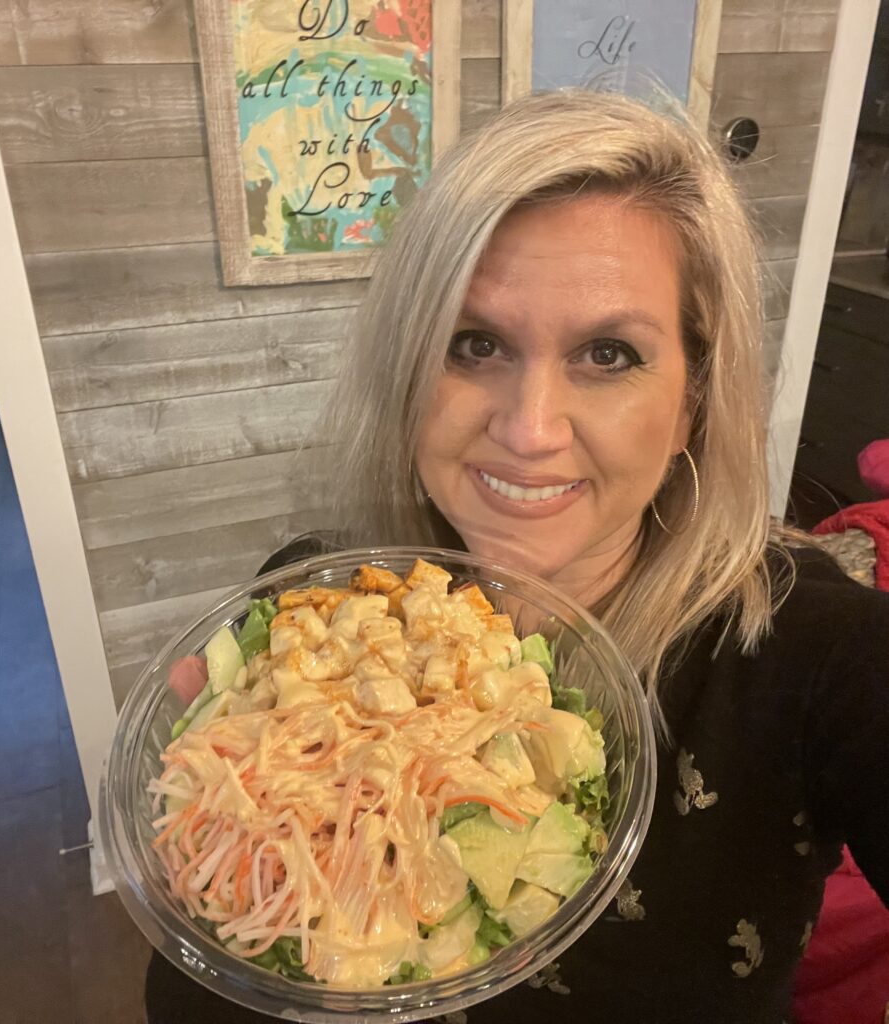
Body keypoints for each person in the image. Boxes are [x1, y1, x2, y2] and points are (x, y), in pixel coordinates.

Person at [145, 89, 889, 1024]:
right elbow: (194, 999)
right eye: (476, 343)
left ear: (692, 404)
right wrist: (213, 849)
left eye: (608, 354)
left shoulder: (821, 654)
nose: (528, 430)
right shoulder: (312, 606)